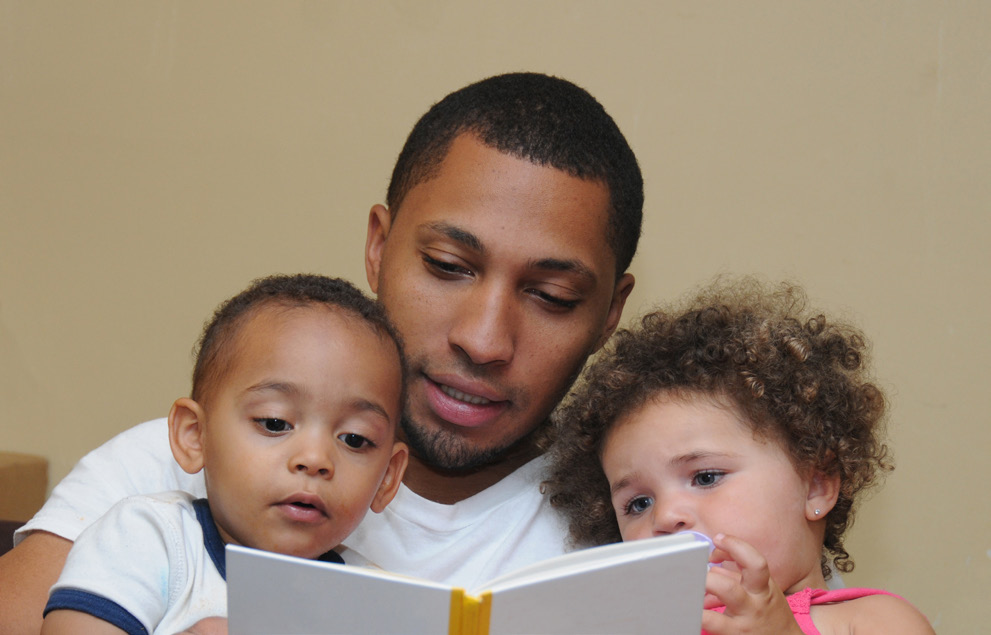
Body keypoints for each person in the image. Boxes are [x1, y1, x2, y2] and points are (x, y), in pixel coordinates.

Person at [0, 71, 643, 634]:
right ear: (378, 247)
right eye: (448, 265)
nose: (483, 340)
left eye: (552, 296)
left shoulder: (634, 523)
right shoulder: (174, 471)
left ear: (610, 314)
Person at [544, 278, 934, 634]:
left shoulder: (873, 620)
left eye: (706, 477)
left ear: (816, 485)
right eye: (639, 503)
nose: (665, 516)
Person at [40, 274, 409, 634]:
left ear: (388, 478)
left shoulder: (376, 604)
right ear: (195, 436)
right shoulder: (149, 540)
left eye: (355, 439)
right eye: (275, 423)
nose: (315, 459)